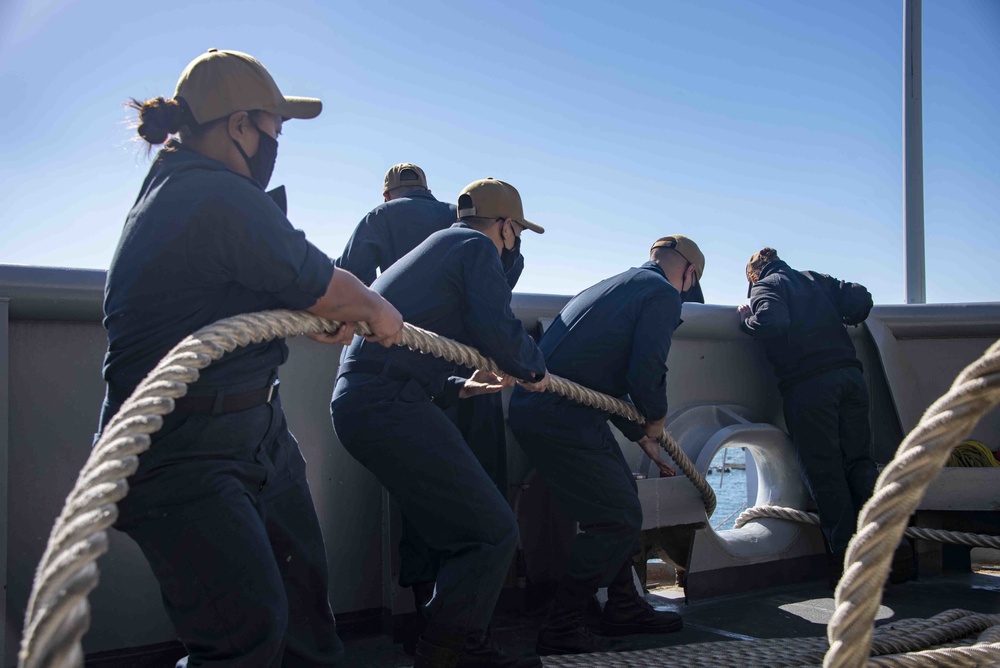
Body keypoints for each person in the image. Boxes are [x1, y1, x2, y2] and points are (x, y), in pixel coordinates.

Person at [100, 49, 404, 667]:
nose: (277, 145)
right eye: (275, 130)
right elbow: (326, 282)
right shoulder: (208, 191)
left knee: (306, 620)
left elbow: (238, 291)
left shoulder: (187, 189)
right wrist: (372, 307)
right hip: (181, 450)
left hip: (255, 432)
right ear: (240, 126)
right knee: (245, 637)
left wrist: (311, 315)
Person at [331, 178, 549, 668]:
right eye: (517, 234)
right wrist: (533, 369)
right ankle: (447, 652)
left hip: (369, 400)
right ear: (508, 227)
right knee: (494, 531)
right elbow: (499, 328)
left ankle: (457, 641)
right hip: (387, 402)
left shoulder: (442, 244)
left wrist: (459, 387)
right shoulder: (475, 247)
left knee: (461, 532)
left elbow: (413, 355)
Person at [508, 235, 704, 656]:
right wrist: (655, 418)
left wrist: (638, 435)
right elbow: (646, 369)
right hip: (563, 418)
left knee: (620, 500)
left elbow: (595, 379)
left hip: (547, 411)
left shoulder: (612, 286)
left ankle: (624, 606)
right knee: (616, 518)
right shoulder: (663, 294)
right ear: (689, 273)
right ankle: (562, 625)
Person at [737, 247, 878, 586]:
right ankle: (890, 552)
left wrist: (747, 320)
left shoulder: (765, 285)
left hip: (810, 387)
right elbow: (860, 299)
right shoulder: (816, 279)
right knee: (860, 464)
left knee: (826, 473)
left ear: (753, 273)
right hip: (850, 378)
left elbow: (772, 320)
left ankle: (851, 567)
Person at [335, 163, 457, 286]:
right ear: (428, 191)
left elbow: (352, 271)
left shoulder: (380, 215)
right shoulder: (458, 214)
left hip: (397, 304)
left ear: (386, 196)